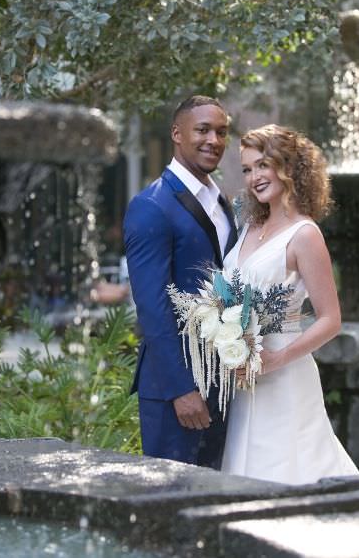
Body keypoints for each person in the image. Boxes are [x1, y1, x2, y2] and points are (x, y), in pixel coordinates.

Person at [222, 124, 358, 483]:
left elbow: (331, 319)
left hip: (285, 377)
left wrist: (278, 359)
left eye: (263, 165)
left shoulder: (305, 235)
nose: (254, 177)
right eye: (248, 169)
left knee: (286, 474)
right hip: (243, 378)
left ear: (288, 166)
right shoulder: (250, 225)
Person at [123, 95, 237, 468]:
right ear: (177, 133)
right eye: (202, 130)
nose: (214, 140)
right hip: (176, 388)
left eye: (222, 132)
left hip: (223, 378)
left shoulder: (221, 201)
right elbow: (153, 307)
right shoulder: (151, 205)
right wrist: (182, 389)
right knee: (169, 502)